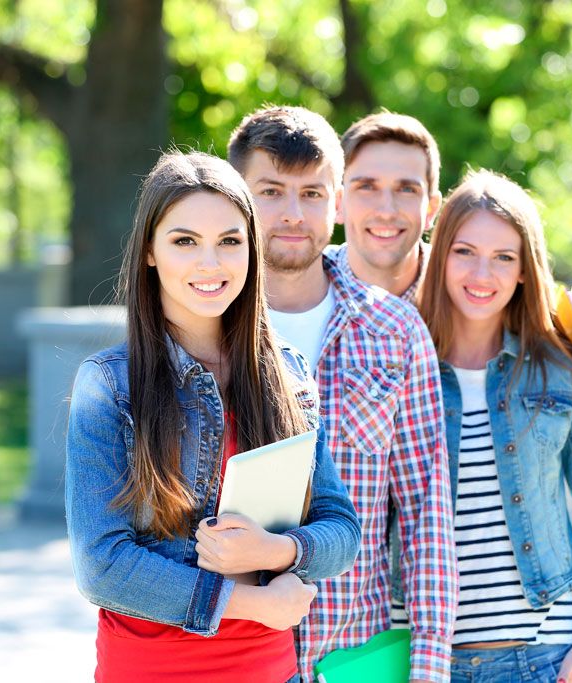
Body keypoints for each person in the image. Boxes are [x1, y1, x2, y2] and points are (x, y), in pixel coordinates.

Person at [64, 151, 362, 683]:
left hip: (272, 671)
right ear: (150, 253)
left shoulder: (286, 373)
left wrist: (278, 549)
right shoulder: (108, 385)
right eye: (185, 241)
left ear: (252, 249)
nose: (211, 263)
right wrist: (252, 604)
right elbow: (101, 566)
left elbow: (341, 526)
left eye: (230, 241)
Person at [227, 106, 457, 683]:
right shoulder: (200, 329)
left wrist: (428, 671)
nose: (291, 214)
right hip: (225, 656)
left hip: (350, 658)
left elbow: (427, 516)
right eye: (271, 192)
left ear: (337, 203)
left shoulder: (394, 332)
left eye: (312, 193)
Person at [411, 169, 572, 683]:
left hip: (542, 661)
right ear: (440, 255)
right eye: (464, 252)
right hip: (421, 661)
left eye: (503, 257)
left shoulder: (559, 368)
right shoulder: (401, 363)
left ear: (526, 270)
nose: (481, 274)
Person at [336, 112, 572, 426]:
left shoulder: (479, 290)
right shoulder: (301, 295)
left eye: (407, 189)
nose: (386, 210)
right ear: (338, 202)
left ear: (432, 208)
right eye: (366, 186)